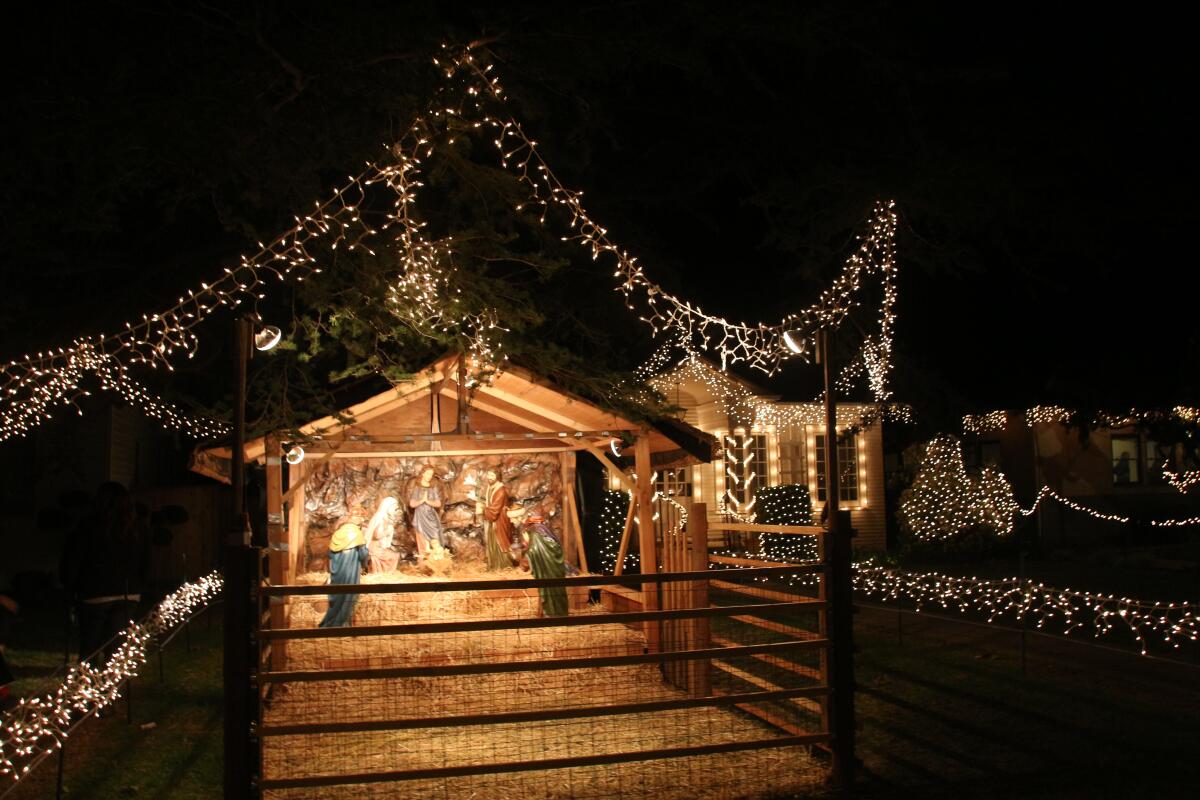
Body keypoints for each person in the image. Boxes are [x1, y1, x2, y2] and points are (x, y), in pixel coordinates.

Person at [59, 482, 149, 664]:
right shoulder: (137, 529)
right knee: (115, 647)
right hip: (127, 593)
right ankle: (108, 686)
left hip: (94, 593)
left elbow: (72, 561)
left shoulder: (87, 527)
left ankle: (86, 684)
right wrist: (139, 585)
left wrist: (70, 587)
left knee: (90, 646)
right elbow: (146, 563)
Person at [319, 507, 370, 628]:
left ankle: (329, 622)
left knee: (337, 598)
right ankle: (342, 624)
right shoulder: (357, 534)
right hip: (350, 572)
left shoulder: (338, 533)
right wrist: (365, 566)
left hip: (337, 572)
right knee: (349, 596)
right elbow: (363, 554)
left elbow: (331, 554)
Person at [519, 510, 568, 617]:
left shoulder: (533, 532)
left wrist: (526, 556)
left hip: (548, 566)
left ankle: (552, 615)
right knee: (552, 589)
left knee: (549, 589)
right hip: (553, 565)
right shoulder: (544, 529)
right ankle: (550, 614)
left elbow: (534, 549)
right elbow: (555, 546)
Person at [477, 468, 515, 570]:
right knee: (492, 542)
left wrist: (483, 508)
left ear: (497, 477)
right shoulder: (491, 487)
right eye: (488, 475)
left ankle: (503, 565)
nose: (489, 477)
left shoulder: (501, 490)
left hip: (499, 520)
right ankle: (493, 565)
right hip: (492, 521)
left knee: (499, 542)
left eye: (492, 475)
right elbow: (490, 504)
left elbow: (495, 509)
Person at [408, 465, 447, 560]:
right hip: (420, 517)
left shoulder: (432, 488)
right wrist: (422, 501)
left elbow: (438, 503)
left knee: (435, 538)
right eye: (428, 473)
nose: (429, 476)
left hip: (431, 517)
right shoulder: (417, 488)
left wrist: (428, 501)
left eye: (431, 474)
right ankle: (424, 562)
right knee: (422, 540)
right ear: (423, 474)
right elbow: (412, 504)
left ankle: (435, 561)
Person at [365, 496, 401, 574]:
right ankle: (384, 573)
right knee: (394, 556)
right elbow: (377, 535)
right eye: (393, 507)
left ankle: (386, 573)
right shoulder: (380, 518)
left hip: (379, 546)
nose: (395, 509)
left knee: (394, 555)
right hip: (375, 547)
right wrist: (388, 531)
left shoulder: (385, 518)